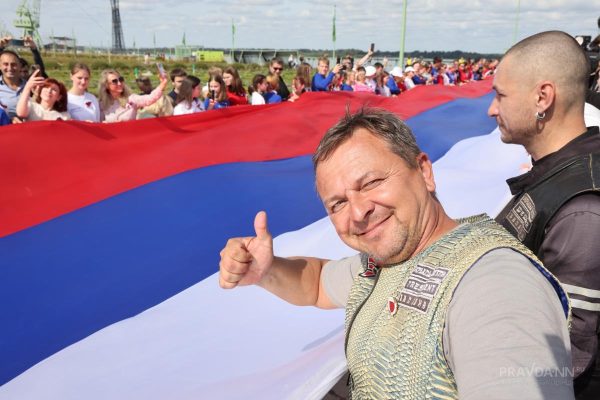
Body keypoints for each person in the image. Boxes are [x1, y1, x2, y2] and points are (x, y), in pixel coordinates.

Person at [220, 108, 574, 399]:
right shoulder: (383, 262)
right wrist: (264, 271)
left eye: (371, 182)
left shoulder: (494, 287)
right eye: (338, 203)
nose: (357, 212)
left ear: (423, 171)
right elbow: (315, 284)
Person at [490, 31, 600, 399]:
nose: (492, 109)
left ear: (543, 98)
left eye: (500, 95)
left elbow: (564, 357)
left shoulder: (582, 210)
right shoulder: (561, 174)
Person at [97, 69, 168, 122]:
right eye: (114, 81)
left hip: (130, 138)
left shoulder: (131, 99)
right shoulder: (101, 104)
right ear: (106, 85)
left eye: (121, 80)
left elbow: (150, 98)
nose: (119, 83)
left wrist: (163, 84)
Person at [0, 49, 25, 120]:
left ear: (20, 66)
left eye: (13, 64)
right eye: (6, 64)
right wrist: (10, 119)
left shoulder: (29, 86)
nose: (10, 68)